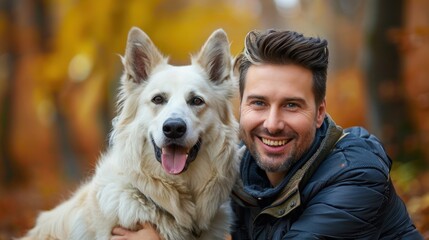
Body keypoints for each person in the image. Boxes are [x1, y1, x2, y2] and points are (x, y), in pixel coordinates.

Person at [111, 29, 423, 239]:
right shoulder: (237, 179)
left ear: (319, 113)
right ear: (240, 107)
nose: (272, 123)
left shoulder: (355, 176)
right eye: (259, 103)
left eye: (291, 105)